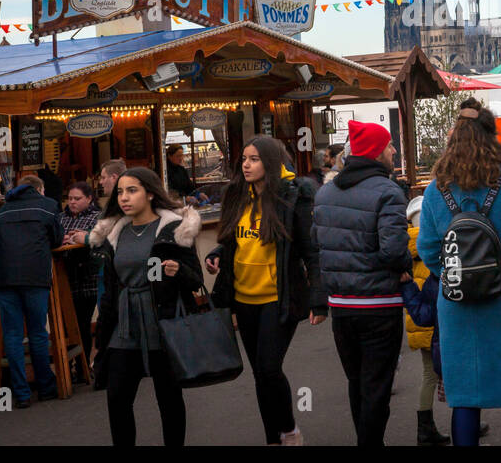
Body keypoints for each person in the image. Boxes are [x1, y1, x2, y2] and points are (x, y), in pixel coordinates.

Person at [418, 98, 501, 446]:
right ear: (492, 137)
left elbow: (429, 249)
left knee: (464, 397)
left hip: (456, 307)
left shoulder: (437, 190)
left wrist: (455, 276)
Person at [204, 135, 326, 446]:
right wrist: (218, 253)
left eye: (254, 159)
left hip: (278, 298)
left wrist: (318, 299)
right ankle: (273, 438)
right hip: (243, 300)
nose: (246, 164)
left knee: (270, 368)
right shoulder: (237, 195)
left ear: (269, 163)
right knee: (260, 373)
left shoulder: (291, 197)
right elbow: (234, 239)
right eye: (244, 158)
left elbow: (311, 252)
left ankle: (289, 431)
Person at [89, 167, 205, 446]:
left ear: (151, 193)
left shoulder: (173, 230)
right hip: (124, 323)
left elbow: (196, 280)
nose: (124, 198)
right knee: (117, 397)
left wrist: (178, 271)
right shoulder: (116, 232)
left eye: (132, 190)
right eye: (119, 192)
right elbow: (110, 291)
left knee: (168, 397)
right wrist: (100, 338)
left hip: (161, 320)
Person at [313, 119, 410, 446]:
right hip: (379, 305)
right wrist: (405, 266)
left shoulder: (325, 192)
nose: (394, 150)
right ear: (375, 151)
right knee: (377, 386)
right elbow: (393, 250)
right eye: (389, 145)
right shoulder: (388, 191)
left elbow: (319, 244)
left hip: (341, 306)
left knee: (357, 382)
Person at [0, 173, 64, 408]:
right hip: (34, 276)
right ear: (39, 189)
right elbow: (57, 239)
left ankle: (21, 394)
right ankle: (45, 387)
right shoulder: (48, 206)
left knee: (12, 335)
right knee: (37, 333)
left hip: (3, 277)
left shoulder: (3, 210)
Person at [401, 196, 449, 446]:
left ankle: (425, 426)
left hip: (418, 323)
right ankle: (461, 418)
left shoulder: (406, 247)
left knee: (429, 375)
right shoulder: (434, 245)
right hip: (438, 323)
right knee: (446, 373)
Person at [59, 181, 103, 367]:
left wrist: (84, 237)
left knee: (83, 323)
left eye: (77, 198)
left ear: (89, 199)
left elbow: (101, 239)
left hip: (88, 275)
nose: (73, 202)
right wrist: (63, 238)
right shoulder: (60, 218)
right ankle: (67, 366)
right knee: (67, 325)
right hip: (65, 276)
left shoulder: (98, 217)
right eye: (70, 199)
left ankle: (84, 364)